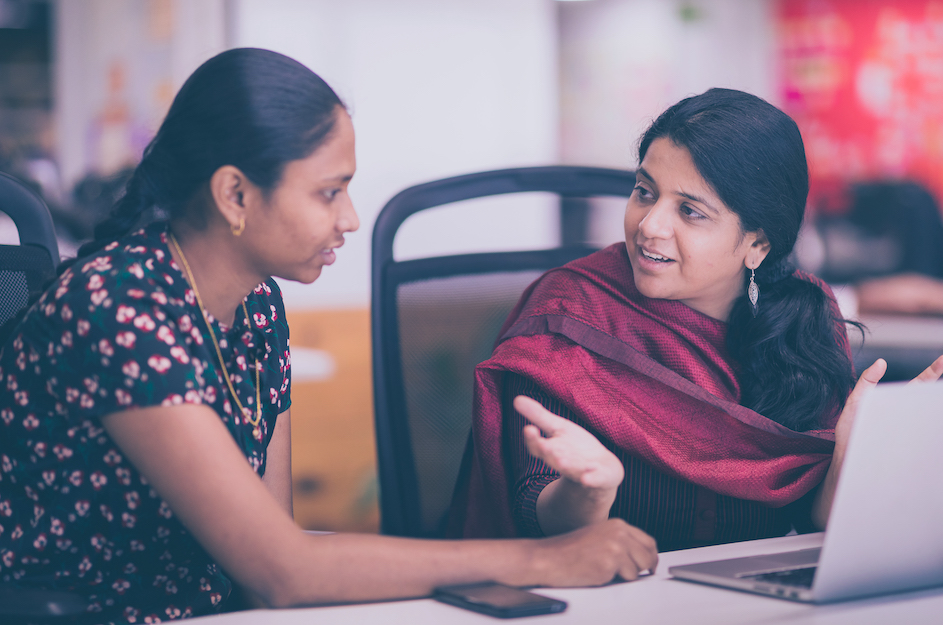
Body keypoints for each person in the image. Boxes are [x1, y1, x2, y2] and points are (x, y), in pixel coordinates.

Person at [0, 48, 658, 624]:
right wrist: (543, 558)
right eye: (327, 192)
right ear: (235, 195)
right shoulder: (117, 305)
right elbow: (282, 570)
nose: (349, 217)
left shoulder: (256, 304)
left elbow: (277, 540)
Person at [450, 88, 943, 550]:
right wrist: (587, 492)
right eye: (645, 191)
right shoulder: (569, 311)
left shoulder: (804, 318)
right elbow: (533, 515)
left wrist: (853, 456)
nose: (649, 226)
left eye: (690, 212)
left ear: (757, 244)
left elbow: (809, 523)